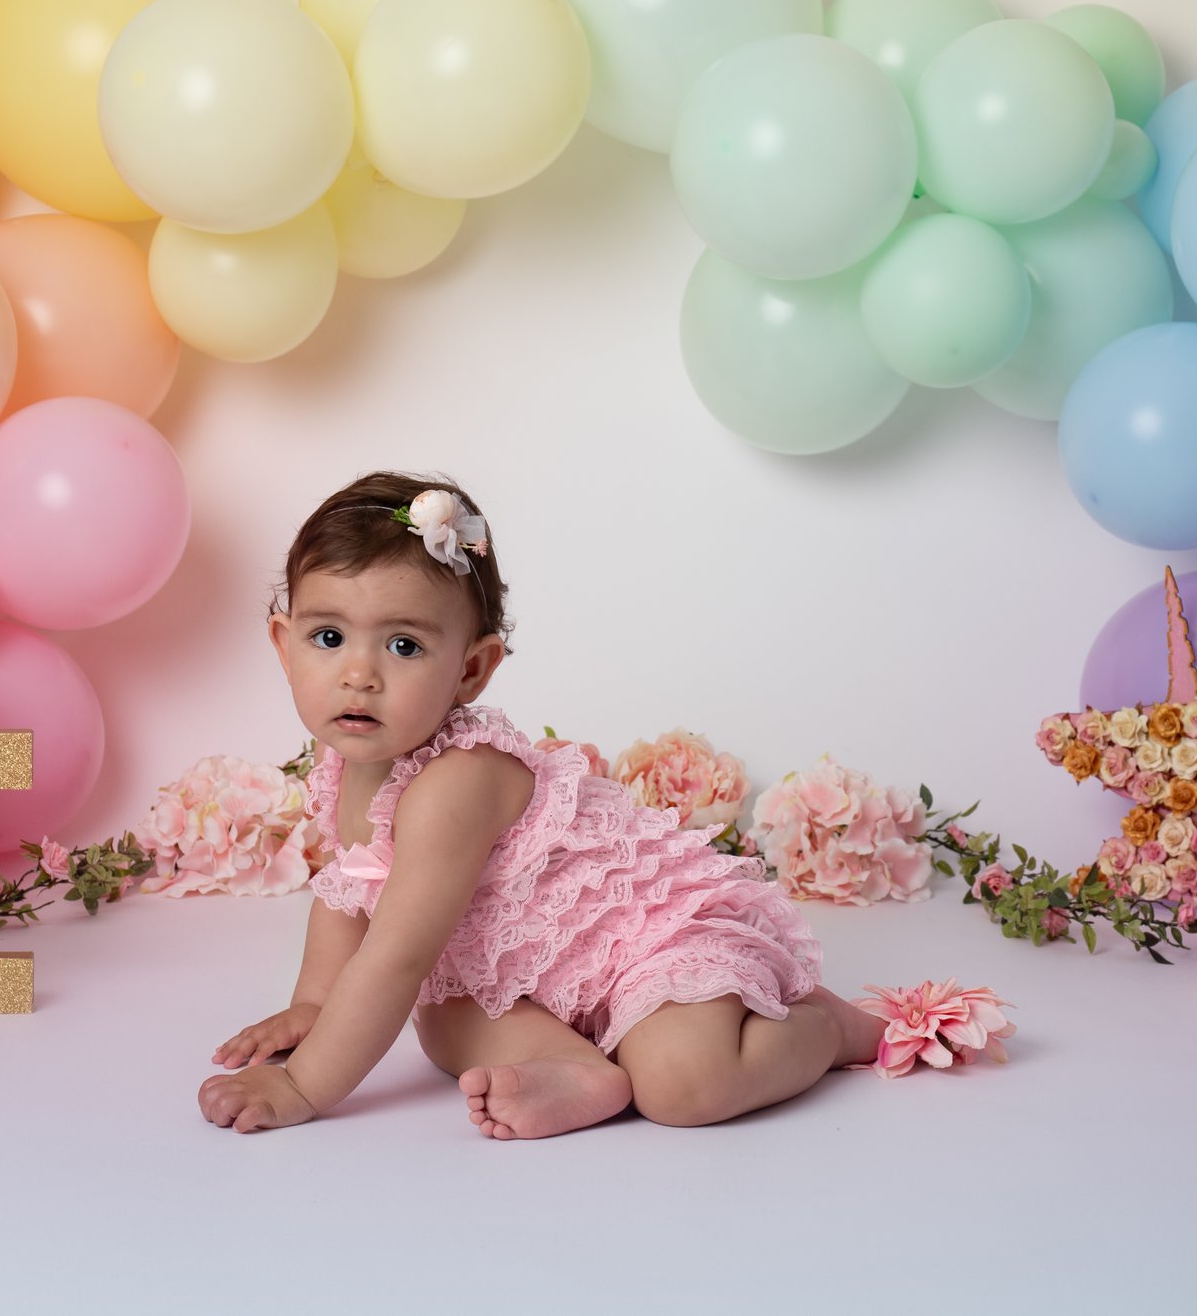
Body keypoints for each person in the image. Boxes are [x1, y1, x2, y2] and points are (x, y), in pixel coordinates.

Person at [198, 470, 891, 1138]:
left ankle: (827, 1027)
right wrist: (314, 1005)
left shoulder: (455, 781)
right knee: (441, 1022)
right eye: (329, 637)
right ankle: (577, 1066)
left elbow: (395, 956)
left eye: (403, 645)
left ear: (472, 668)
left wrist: (303, 1083)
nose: (359, 674)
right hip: (552, 977)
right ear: (284, 647)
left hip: (651, 946)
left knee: (683, 1083)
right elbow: (348, 895)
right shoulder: (347, 762)